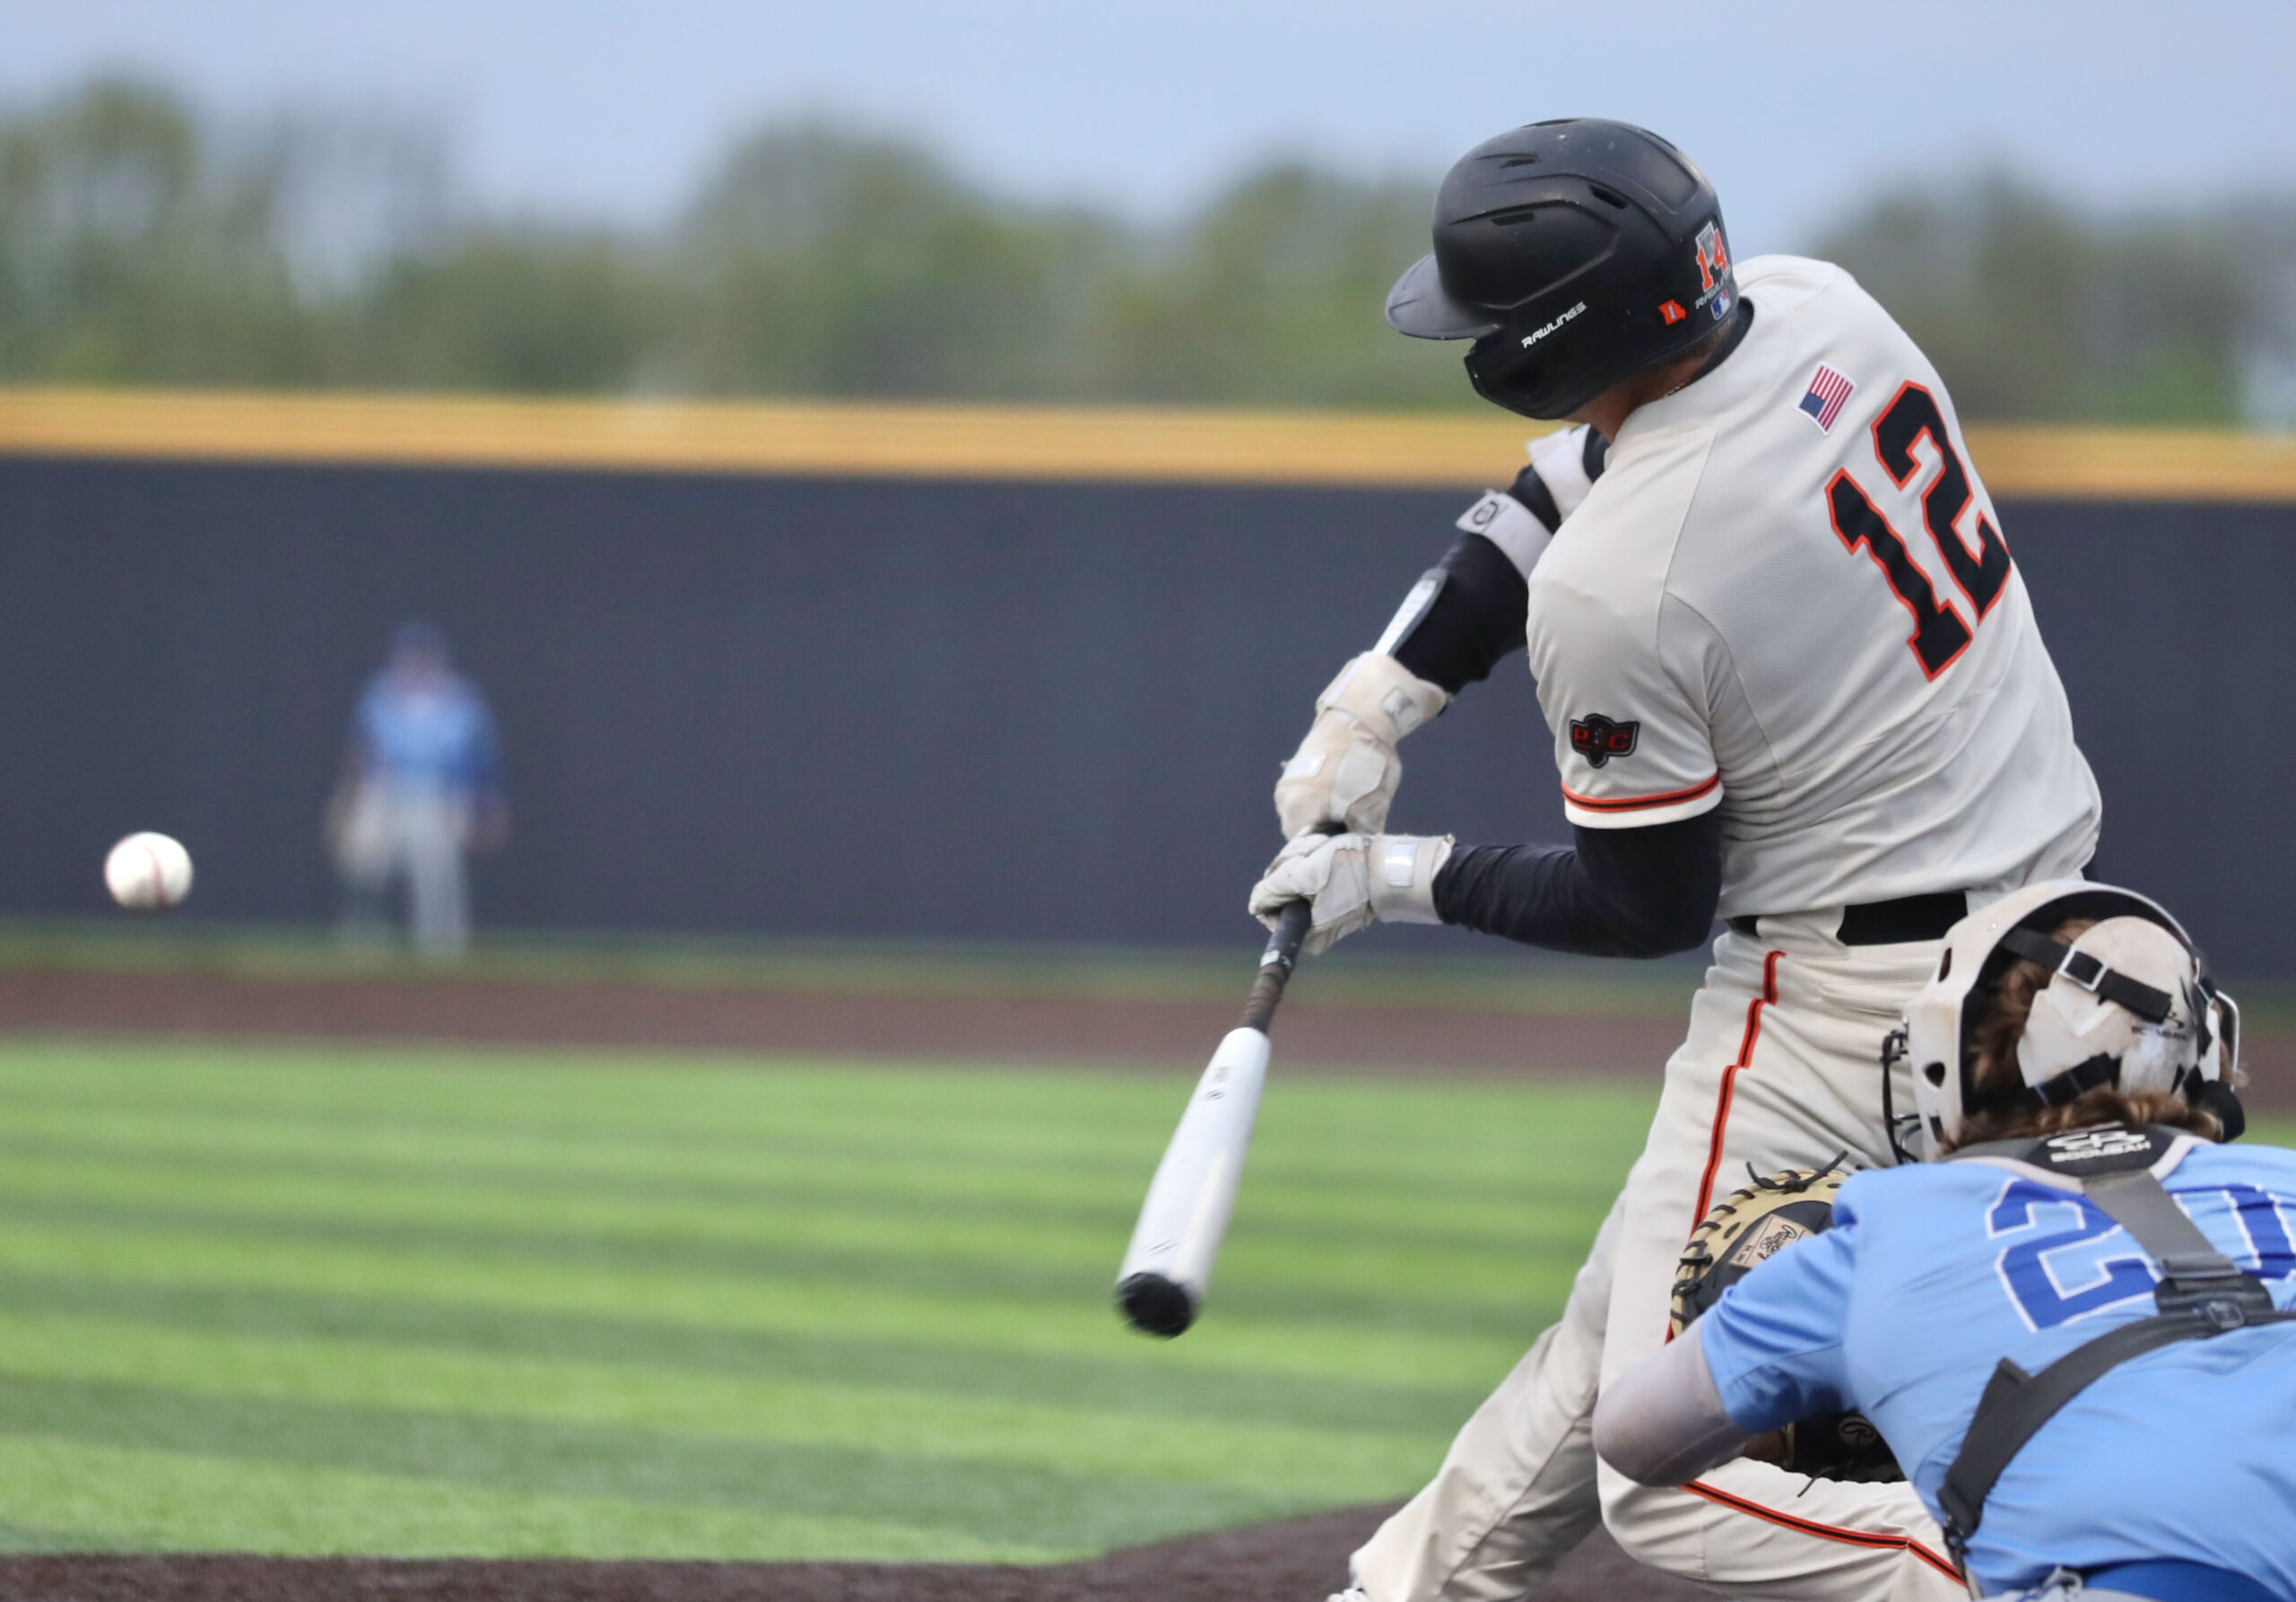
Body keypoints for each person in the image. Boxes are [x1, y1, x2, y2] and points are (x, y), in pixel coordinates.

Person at [1248, 118, 2100, 1602]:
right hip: (2073, 941)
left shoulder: (1624, 583)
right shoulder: (1821, 305)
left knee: (1668, 1466)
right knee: (1621, 1329)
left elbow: (1643, 902)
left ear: (1553, 336)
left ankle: (2038, 1581)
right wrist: (1382, 691)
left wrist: (1389, 878)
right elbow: (1558, 484)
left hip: (1850, 1011)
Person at [1593, 882, 2294, 1602]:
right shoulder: (2286, 1178)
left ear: (1953, 1054)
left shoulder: (1889, 1229)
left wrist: (1875, 1409)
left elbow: (1632, 1437)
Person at [330, 621, 509, 957]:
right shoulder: (380, 695)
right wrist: (348, 802)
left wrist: (490, 808)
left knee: (436, 875)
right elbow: (359, 752)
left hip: (437, 796)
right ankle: (362, 945)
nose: (419, 666)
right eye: (413, 658)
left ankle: (442, 951)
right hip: (385, 793)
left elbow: (480, 762)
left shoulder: (462, 701)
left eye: (425, 659)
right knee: (365, 869)